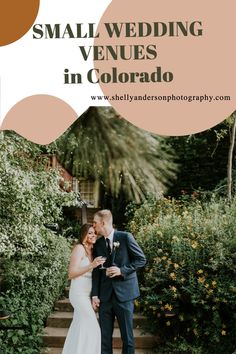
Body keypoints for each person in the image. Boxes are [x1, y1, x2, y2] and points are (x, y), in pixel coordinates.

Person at [92, 210, 146, 354]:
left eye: (95, 223)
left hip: (124, 296)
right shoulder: (98, 244)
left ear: (103, 223)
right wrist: (95, 295)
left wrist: (122, 271)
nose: (94, 226)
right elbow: (96, 272)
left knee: (127, 337)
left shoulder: (125, 237)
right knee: (104, 338)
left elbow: (141, 260)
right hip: (105, 297)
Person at [62, 223, 105, 354]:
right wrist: (91, 265)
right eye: (90, 233)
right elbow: (71, 274)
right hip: (78, 294)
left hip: (88, 295)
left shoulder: (93, 250)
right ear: (84, 234)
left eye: (94, 233)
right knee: (93, 327)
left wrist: (94, 295)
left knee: (79, 327)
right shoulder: (79, 248)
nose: (93, 235)